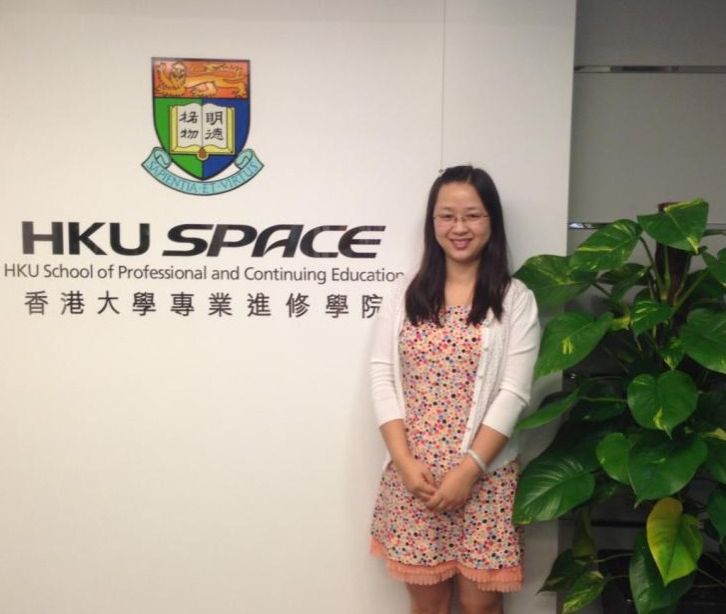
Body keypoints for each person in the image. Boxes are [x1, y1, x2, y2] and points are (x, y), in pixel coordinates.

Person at [369, 165, 540, 614]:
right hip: (416, 479)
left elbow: (513, 393)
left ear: (491, 221)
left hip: (487, 476)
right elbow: (382, 379)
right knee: (428, 606)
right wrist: (405, 465)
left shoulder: (515, 298)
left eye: (472, 216)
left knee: (480, 606)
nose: (459, 228)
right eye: (447, 216)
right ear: (433, 223)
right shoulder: (403, 294)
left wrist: (469, 470)